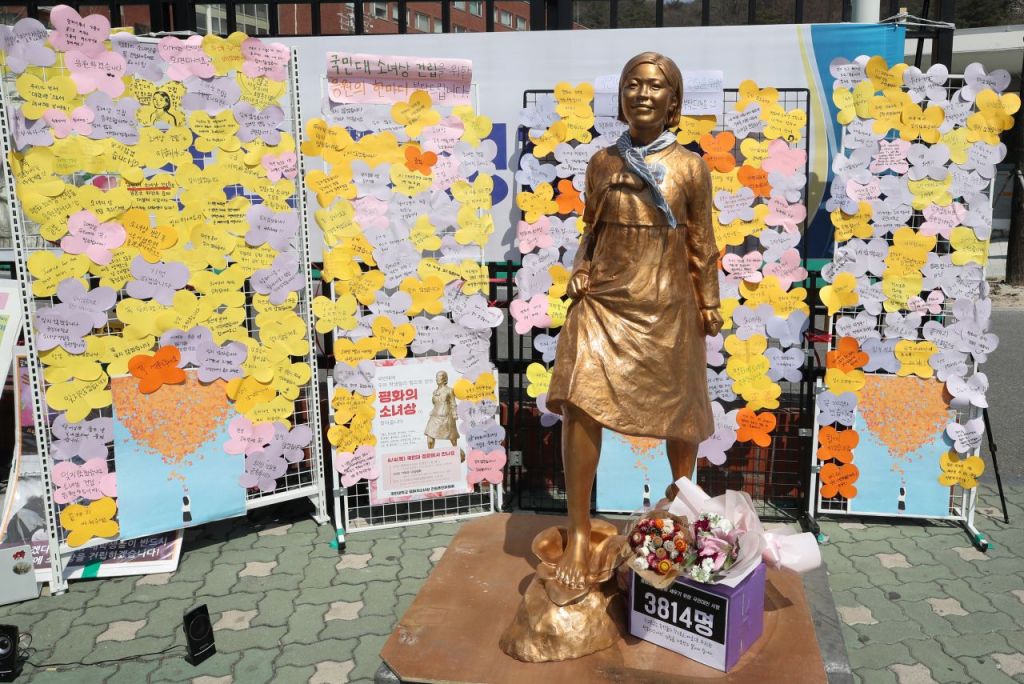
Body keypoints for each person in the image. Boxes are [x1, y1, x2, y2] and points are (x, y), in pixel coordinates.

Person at [545, 52, 723, 596]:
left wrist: (709, 303)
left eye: (655, 86)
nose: (642, 94)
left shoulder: (691, 167)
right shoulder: (602, 162)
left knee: (681, 415)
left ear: (673, 101)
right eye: (633, 84)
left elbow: (702, 242)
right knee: (579, 399)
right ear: (621, 96)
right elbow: (591, 232)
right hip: (605, 302)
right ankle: (579, 532)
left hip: (669, 305)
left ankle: (680, 516)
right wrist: (579, 268)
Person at [424, 371, 458, 449]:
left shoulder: (450, 390)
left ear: (444, 378)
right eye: (437, 377)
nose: (437, 378)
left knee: (453, 439)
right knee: (429, 438)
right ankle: (430, 453)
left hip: (447, 417)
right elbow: (435, 404)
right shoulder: (435, 392)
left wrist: (455, 413)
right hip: (435, 417)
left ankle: (457, 451)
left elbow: (453, 403)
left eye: (439, 376)